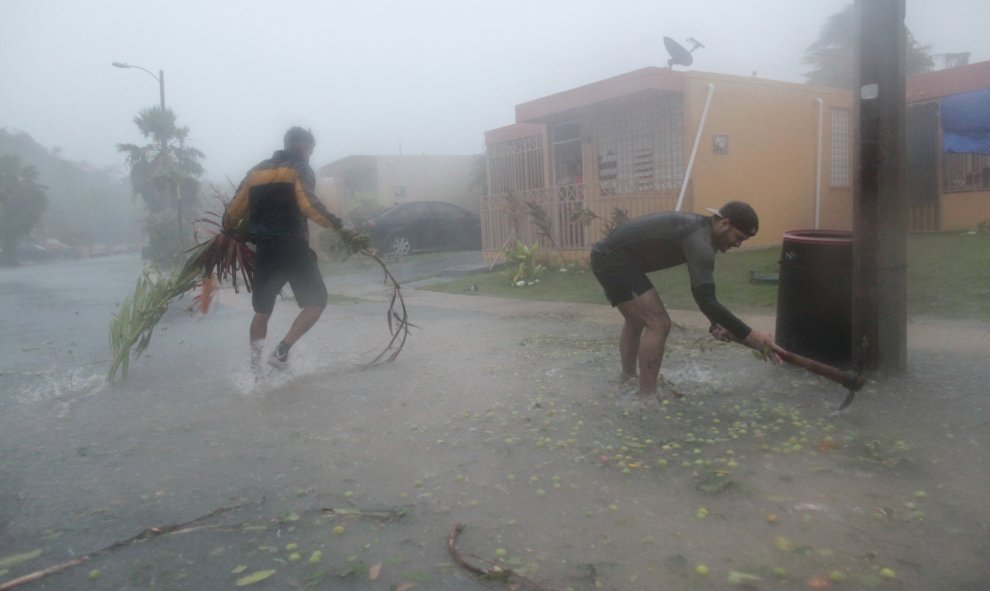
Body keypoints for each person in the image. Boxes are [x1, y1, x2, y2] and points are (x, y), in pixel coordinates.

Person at [590, 201, 783, 399]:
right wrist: (752, 336)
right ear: (724, 224)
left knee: (637, 319)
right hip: (611, 258)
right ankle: (646, 398)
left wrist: (716, 323)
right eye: (739, 237)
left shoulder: (702, 233)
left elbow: (702, 295)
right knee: (658, 323)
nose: (738, 244)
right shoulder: (700, 240)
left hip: (610, 256)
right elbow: (706, 299)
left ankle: (629, 378)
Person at [223, 127, 367, 377]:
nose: (310, 156)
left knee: (262, 310)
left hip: (266, 249)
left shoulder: (257, 171)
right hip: (292, 247)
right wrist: (340, 228)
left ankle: (255, 371)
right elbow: (309, 205)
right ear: (301, 147)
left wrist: (227, 229)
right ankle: (281, 351)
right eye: (310, 150)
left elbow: (234, 209)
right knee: (317, 301)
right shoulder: (298, 168)